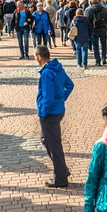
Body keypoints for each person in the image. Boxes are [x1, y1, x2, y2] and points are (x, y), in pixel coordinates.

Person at [35, 45, 74, 187]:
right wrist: (61, 98)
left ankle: (60, 178)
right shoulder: (57, 68)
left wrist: (43, 112)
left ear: (39, 57)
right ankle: (62, 169)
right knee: (46, 140)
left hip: (50, 113)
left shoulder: (47, 73)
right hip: (58, 110)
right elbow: (69, 85)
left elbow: (48, 97)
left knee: (54, 146)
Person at [85, 0, 107, 66]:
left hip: (94, 30)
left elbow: (87, 21)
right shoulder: (103, 9)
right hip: (103, 29)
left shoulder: (88, 10)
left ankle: (97, 60)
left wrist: (88, 30)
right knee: (104, 44)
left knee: (95, 46)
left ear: (91, 3)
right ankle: (104, 58)